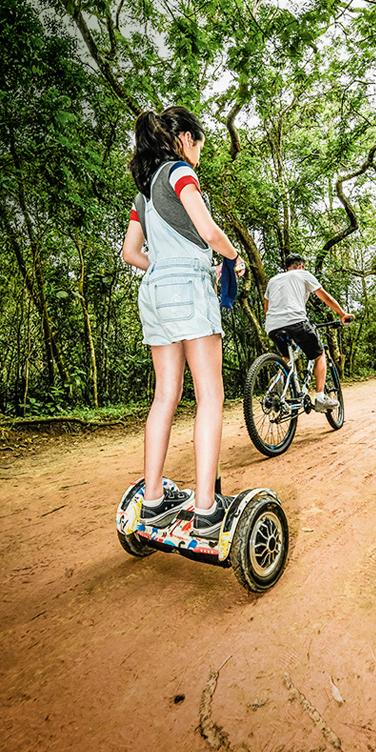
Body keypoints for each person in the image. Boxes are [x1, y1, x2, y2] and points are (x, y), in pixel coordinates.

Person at [122, 106, 243, 540]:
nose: (199, 153)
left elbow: (131, 255)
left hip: (153, 291)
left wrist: (169, 267)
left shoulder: (142, 194)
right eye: (200, 144)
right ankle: (207, 508)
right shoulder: (179, 173)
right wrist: (233, 258)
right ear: (187, 139)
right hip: (187, 290)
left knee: (165, 397)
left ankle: (152, 500)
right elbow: (209, 231)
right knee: (210, 394)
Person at [263, 254, 353, 411]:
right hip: (296, 321)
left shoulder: (273, 280)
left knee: (286, 358)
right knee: (319, 355)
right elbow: (325, 297)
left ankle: (278, 382)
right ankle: (320, 398)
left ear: (286, 268)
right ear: (300, 266)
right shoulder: (302, 274)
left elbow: (266, 309)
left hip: (272, 326)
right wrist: (342, 314)